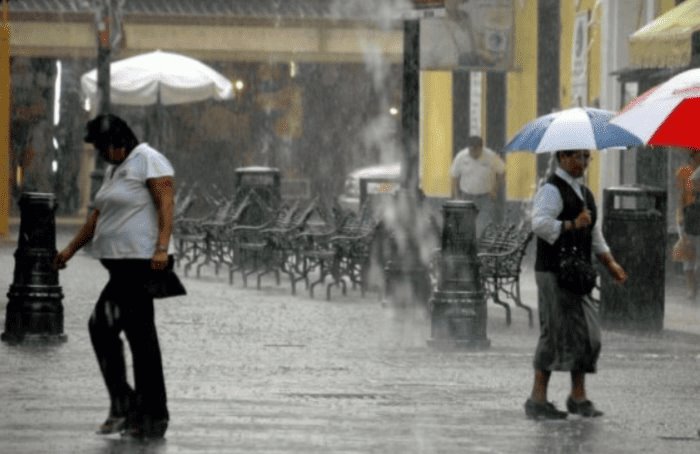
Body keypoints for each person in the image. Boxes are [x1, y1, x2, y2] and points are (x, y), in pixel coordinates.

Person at [54, 114, 176, 438]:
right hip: (120, 265)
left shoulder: (147, 159)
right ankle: (144, 413)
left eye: (102, 147)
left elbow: (166, 202)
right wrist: (69, 250)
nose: (101, 154)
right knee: (138, 337)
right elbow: (97, 216)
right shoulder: (114, 171)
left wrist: (162, 247)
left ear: (118, 141)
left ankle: (135, 408)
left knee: (105, 326)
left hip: (140, 264)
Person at [525, 149, 627, 420]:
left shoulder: (585, 194)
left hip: (578, 275)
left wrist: (610, 263)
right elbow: (539, 224)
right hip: (553, 272)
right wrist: (571, 224)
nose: (583, 163)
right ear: (562, 157)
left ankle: (577, 396)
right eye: (578, 157)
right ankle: (538, 399)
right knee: (554, 333)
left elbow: (594, 234)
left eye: (586, 157)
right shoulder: (551, 190)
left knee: (588, 336)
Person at [450, 135, 505, 236]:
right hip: (466, 197)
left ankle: (480, 247)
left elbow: (501, 171)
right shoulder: (461, 157)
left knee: (483, 225)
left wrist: (495, 189)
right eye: (471, 150)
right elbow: (454, 176)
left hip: (485, 197)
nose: (473, 153)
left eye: (476, 151)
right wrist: (457, 196)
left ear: (481, 148)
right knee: (466, 225)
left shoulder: (491, 156)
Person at [673, 149, 700, 299]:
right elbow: (680, 197)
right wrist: (681, 215)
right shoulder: (684, 172)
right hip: (687, 218)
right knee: (688, 254)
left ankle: (695, 285)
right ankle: (691, 288)